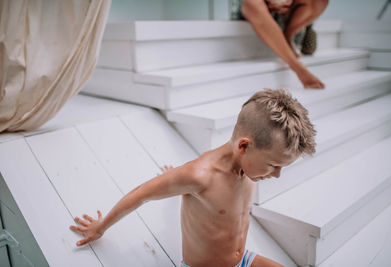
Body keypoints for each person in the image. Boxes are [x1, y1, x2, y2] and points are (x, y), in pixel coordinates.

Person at [69, 89, 316, 267]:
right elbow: (140, 195)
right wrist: (101, 227)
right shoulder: (200, 176)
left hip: (241, 260)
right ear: (244, 147)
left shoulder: (251, 168)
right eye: (273, 166)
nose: (276, 175)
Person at [238, 0, 329, 89]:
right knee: (252, 3)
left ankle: (287, 37)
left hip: (286, 14)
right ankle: (298, 68)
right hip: (257, 8)